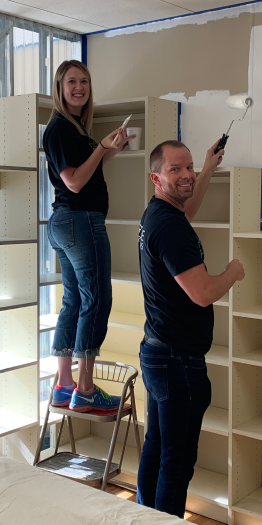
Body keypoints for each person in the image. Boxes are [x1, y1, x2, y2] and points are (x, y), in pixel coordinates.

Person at [137, 139, 245, 517]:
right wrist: (233, 272)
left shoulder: (159, 214)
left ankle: (142, 518)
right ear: (156, 176)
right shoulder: (172, 229)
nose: (186, 176)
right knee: (176, 463)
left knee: (157, 449)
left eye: (189, 168)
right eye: (175, 169)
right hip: (177, 362)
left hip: (158, 352)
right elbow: (201, 293)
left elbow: (188, 207)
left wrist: (208, 167)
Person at [43, 60, 135, 413]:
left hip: (66, 223)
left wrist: (111, 148)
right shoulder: (60, 129)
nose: (79, 87)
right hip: (80, 222)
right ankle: (85, 388)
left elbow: (85, 170)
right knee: (96, 300)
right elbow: (75, 182)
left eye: (84, 81)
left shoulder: (73, 129)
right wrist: (100, 145)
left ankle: (64, 385)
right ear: (60, 87)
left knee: (74, 302)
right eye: (72, 82)